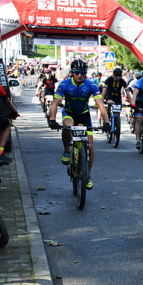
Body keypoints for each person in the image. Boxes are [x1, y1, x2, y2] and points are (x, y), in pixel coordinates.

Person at [47, 59, 110, 190]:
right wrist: (52, 119)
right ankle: (66, 151)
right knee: (67, 127)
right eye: (77, 72)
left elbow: (100, 105)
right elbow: (54, 103)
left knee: (90, 147)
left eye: (82, 73)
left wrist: (107, 121)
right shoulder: (64, 84)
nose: (80, 75)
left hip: (84, 115)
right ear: (72, 72)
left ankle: (87, 176)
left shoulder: (91, 85)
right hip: (69, 113)